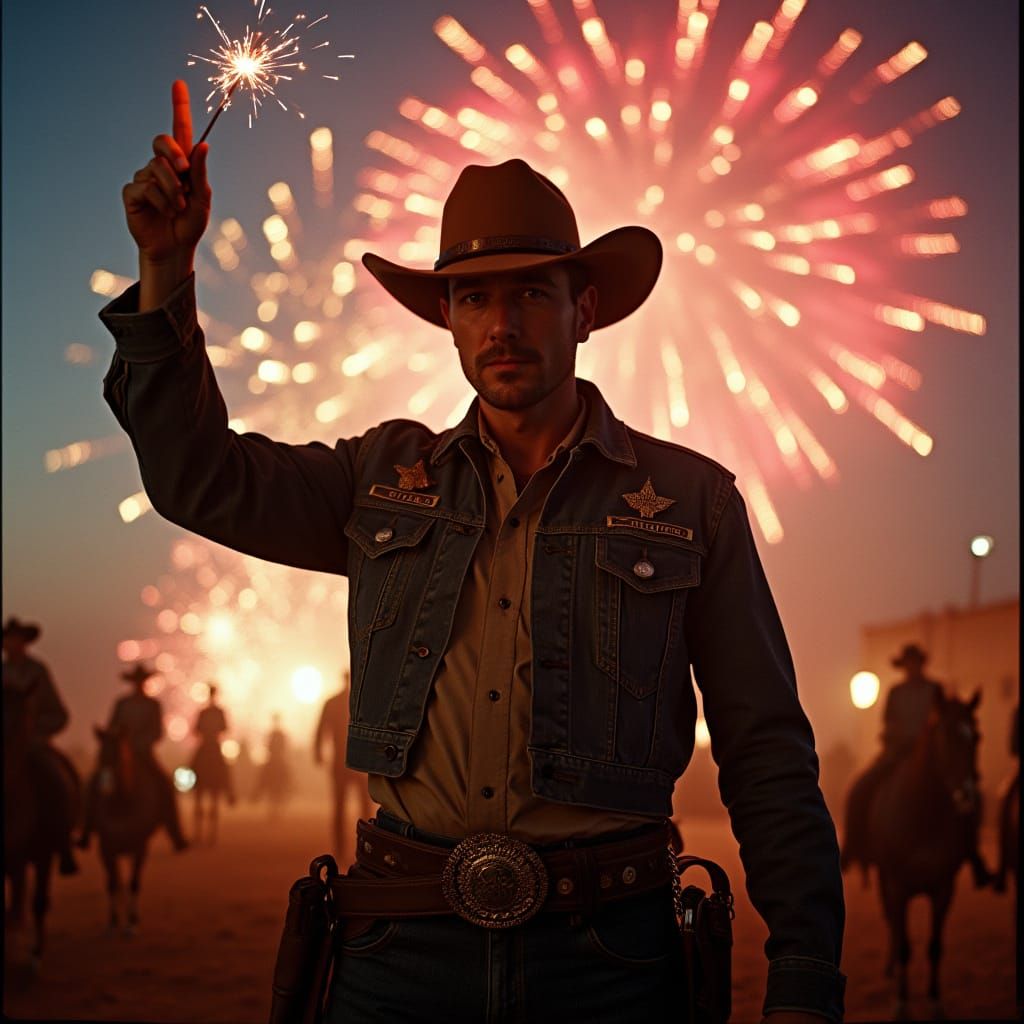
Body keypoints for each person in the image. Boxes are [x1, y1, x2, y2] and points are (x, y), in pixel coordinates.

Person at [97, 79, 845, 1023]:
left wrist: (805, 975)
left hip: (611, 958)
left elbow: (764, 745)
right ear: (447, 318)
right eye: (474, 297)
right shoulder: (378, 478)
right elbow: (196, 479)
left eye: (532, 292)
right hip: (398, 947)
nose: (502, 324)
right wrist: (166, 268)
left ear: (584, 309)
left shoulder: (693, 502)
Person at [841, 643, 992, 887]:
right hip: (897, 753)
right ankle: (852, 847)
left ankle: (973, 854)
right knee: (860, 788)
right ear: (904, 666)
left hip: (932, 756)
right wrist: (899, 739)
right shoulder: (895, 692)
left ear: (921, 664)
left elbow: (948, 721)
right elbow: (888, 724)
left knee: (968, 797)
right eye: (908, 663)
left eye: (915, 662)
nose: (912, 667)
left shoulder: (936, 690)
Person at [78, 662, 189, 852]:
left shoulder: (153, 705)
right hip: (118, 755)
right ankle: (87, 829)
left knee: (164, 784)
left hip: (144, 755)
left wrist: (139, 744)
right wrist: (116, 741)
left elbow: (157, 732)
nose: (138, 684)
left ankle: (174, 833)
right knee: (99, 782)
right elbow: (113, 725)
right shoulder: (122, 704)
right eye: (136, 681)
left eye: (141, 681)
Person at [2, 616, 80, 875]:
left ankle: (64, 843)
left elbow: (59, 714)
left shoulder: (38, 672)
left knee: (59, 780)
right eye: (7, 639)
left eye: (15, 639)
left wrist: (35, 732)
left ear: (24, 642)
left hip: (34, 745)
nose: (11, 644)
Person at [314, 670, 375, 866]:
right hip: (359, 764)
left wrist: (318, 752)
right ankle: (366, 847)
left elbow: (320, 730)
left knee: (341, 807)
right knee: (364, 807)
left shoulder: (332, 702)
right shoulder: (364, 702)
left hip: (343, 763)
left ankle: (341, 848)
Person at [190, 682, 235, 843]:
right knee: (194, 768)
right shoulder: (208, 712)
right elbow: (197, 729)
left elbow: (223, 728)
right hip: (209, 745)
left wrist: (209, 733)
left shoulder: (213, 712)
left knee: (223, 770)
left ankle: (229, 791)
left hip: (211, 745)